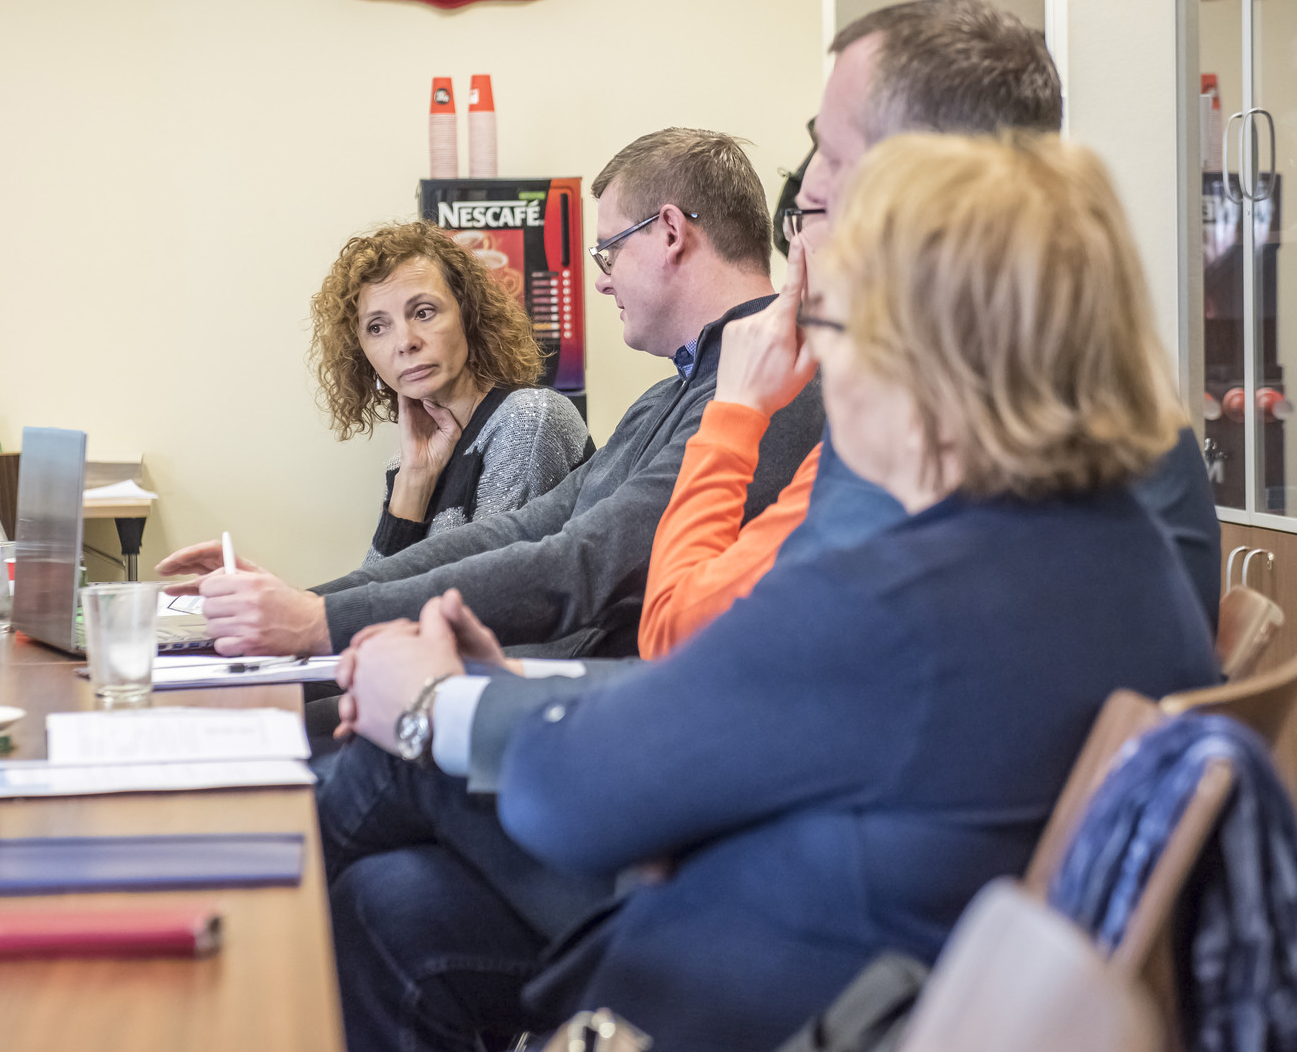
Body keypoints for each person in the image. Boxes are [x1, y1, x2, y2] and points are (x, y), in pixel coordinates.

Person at [333, 132, 1222, 1051]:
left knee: (392, 773)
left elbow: (572, 797)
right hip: (888, 945)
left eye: (830, 328)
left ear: (919, 351)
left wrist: (430, 704)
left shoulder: (898, 587)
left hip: (776, 990)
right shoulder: (1123, 553)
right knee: (390, 903)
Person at [638, 0, 1221, 659]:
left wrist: (735, 412)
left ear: (913, 185)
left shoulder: (923, 432)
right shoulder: (1119, 405)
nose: (808, 186)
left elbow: (678, 636)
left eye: (832, 154)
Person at [156, 128, 823, 659]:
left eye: (609, 252)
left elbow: (583, 565)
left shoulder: (771, 389)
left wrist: (317, 619)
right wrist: (307, 602)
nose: (601, 279)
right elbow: (524, 530)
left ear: (671, 232)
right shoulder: (667, 396)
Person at [309, 220, 591, 563]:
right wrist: (414, 481)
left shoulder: (528, 419)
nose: (405, 342)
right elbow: (373, 588)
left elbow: (480, 584)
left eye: (423, 312)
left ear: (467, 314)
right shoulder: (407, 464)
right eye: (377, 327)